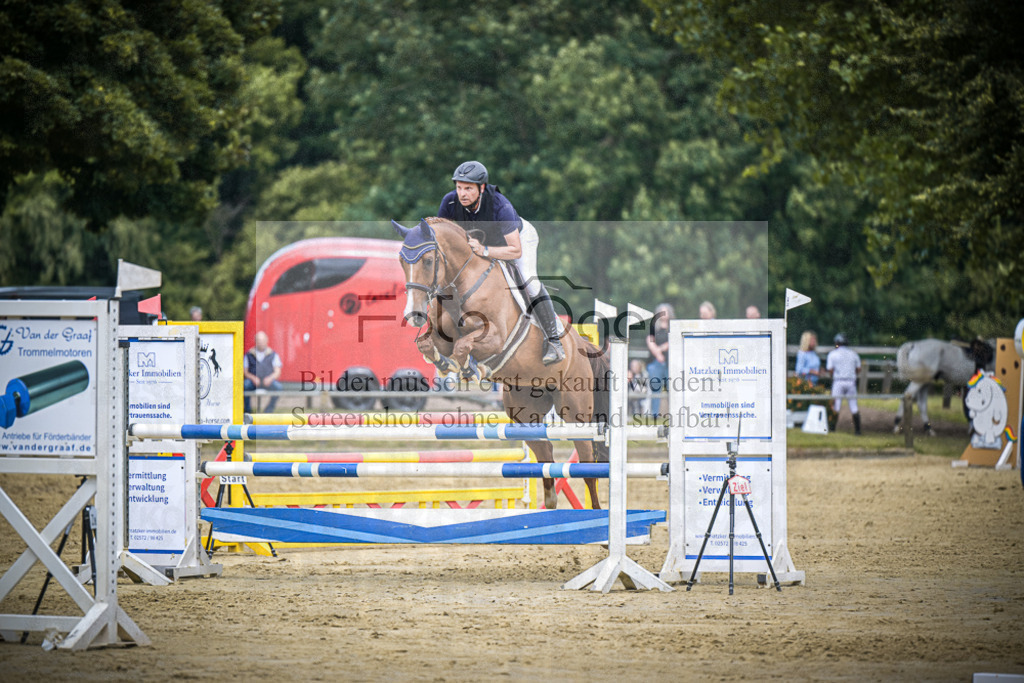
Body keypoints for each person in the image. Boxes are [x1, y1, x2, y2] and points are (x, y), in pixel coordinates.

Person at [438, 160, 564, 365]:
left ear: (482, 188)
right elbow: (443, 235)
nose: (462, 194)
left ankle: (554, 340)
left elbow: (515, 250)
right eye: (459, 187)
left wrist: (485, 250)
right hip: (482, 243)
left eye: (468, 188)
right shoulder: (450, 202)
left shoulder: (500, 205)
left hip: (517, 242)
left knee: (529, 282)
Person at [825, 333, 861, 435]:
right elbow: (858, 369)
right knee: (854, 406)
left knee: (836, 406)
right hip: (850, 381)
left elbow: (830, 369)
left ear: (837, 343)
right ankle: (858, 430)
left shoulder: (832, 354)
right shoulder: (853, 354)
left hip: (839, 381)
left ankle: (832, 429)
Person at [244, 331, 283, 413]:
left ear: (266, 341)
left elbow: (277, 371)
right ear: (255, 341)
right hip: (253, 382)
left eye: (262, 340)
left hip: (268, 381)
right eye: (258, 340)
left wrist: (270, 378)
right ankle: (247, 411)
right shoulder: (249, 354)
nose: (261, 342)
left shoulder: (273, 354)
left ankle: (269, 410)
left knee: (279, 388)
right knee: (245, 386)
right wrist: (253, 378)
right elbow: (245, 371)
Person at [645, 303, 673, 417]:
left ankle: (673, 413)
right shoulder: (653, 327)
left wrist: (659, 349)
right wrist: (658, 354)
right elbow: (650, 341)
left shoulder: (673, 328)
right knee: (655, 389)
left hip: (670, 363)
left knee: (672, 389)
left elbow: (671, 343)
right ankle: (654, 414)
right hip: (656, 363)